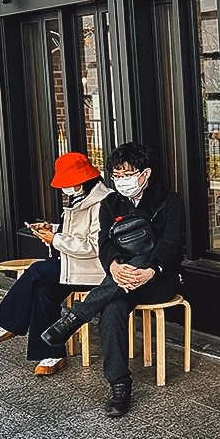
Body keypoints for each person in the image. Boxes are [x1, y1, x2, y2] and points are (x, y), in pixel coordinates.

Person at [41, 142, 185, 417]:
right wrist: (115, 266)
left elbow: (172, 244)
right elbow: (104, 244)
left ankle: (76, 316)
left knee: (141, 259)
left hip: (159, 280)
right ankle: (119, 385)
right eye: (117, 176)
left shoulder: (169, 200)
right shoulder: (110, 203)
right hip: (120, 284)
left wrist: (149, 270)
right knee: (111, 309)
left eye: (127, 174)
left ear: (145, 174)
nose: (121, 181)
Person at [0, 152, 111, 375]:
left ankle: (4, 323)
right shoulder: (82, 197)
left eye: (70, 183)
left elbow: (95, 246)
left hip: (96, 270)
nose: (66, 188)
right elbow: (77, 233)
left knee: (37, 271)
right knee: (43, 290)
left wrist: (56, 239)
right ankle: (52, 354)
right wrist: (53, 229)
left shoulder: (103, 202)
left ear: (84, 180)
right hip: (76, 266)